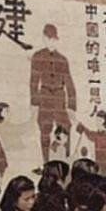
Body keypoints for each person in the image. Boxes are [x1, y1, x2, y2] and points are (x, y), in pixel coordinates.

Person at [29, 24, 77, 163]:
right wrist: (34, 104)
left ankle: (65, 160)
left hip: (59, 97)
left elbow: (69, 83)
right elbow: (33, 82)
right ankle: (46, 163)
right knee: (45, 129)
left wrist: (72, 107)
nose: (51, 42)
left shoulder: (62, 59)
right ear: (44, 38)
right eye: (48, 38)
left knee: (66, 128)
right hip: (44, 97)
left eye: (54, 39)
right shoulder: (37, 56)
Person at [75, 110, 106, 174]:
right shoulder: (94, 135)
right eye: (97, 120)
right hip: (92, 171)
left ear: (104, 121)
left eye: (99, 120)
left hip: (103, 172)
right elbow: (87, 132)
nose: (97, 123)